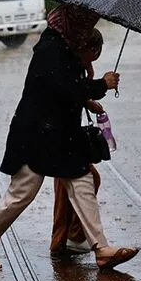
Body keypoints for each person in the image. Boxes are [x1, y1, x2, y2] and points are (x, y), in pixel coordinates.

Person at [0, 4, 139, 271]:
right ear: (72, 23)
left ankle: (101, 249)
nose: (86, 30)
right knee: (22, 192)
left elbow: (64, 89)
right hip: (36, 135)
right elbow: (62, 88)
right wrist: (101, 84)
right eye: (83, 24)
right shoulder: (51, 49)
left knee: (81, 181)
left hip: (60, 136)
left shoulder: (65, 47)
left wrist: (88, 99)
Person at [50, 28, 105, 256]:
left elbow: (76, 92)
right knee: (75, 186)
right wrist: (100, 84)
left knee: (68, 189)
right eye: (95, 51)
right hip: (59, 136)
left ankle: (68, 237)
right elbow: (67, 93)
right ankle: (69, 237)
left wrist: (88, 102)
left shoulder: (80, 67)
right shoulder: (69, 65)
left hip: (66, 136)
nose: (96, 56)